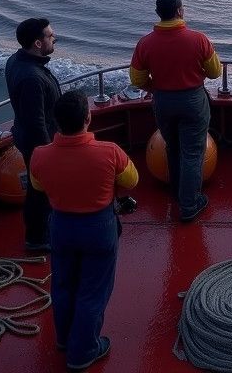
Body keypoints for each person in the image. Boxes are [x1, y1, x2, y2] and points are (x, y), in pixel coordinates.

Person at [28, 91, 139, 371]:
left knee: (63, 284)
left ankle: (64, 339)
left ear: (57, 122)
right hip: (98, 228)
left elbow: (38, 186)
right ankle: (83, 352)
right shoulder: (110, 152)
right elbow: (132, 181)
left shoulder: (39, 155)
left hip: (61, 227)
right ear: (88, 118)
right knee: (93, 290)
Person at [129, 0, 222, 223]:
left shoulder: (145, 43)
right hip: (192, 101)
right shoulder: (199, 39)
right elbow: (215, 72)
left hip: (163, 101)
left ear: (158, 13)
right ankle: (189, 204)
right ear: (180, 11)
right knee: (192, 152)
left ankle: (176, 192)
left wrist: (156, 88)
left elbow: (137, 80)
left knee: (173, 147)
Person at [5, 17, 62, 252]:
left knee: (37, 189)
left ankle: (40, 232)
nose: (54, 38)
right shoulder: (32, 78)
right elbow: (36, 122)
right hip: (38, 144)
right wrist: (49, 153)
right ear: (37, 44)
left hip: (26, 137)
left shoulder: (16, 60)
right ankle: (38, 239)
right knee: (40, 192)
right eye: (50, 36)